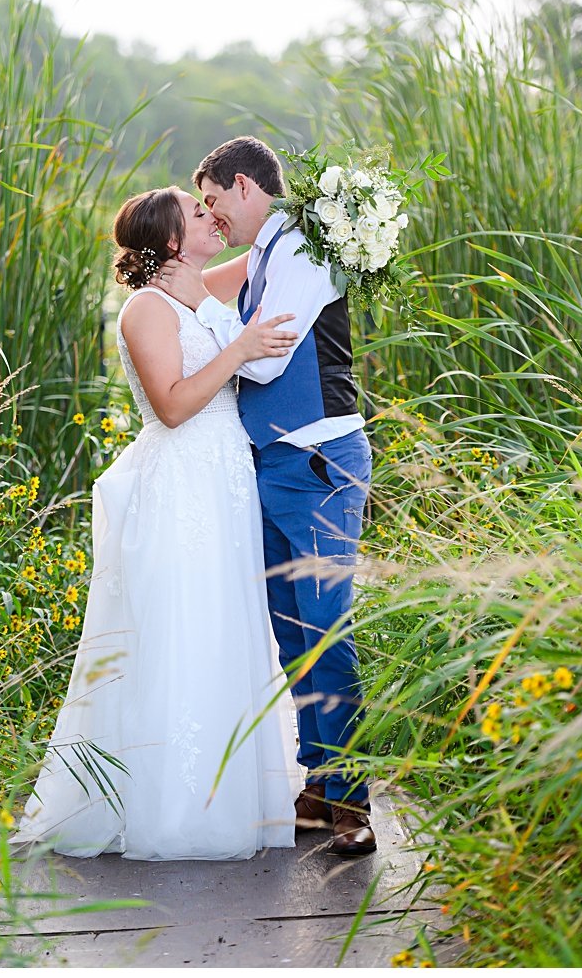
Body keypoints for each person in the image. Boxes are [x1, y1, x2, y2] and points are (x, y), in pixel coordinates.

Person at [15, 186, 302, 860]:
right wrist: (238, 351)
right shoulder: (146, 307)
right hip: (180, 488)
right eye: (198, 212)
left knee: (226, 628)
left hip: (224, 483)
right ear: (172, 241)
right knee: (180, 631)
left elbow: (269, 254)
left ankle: (226, 794)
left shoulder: (198, 289)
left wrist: (322, 218)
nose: (211, 216)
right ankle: (170, 809)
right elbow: (172, 406)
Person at [160, 136, 376, 857]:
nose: (213, 217)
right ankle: (319, 777)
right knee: (291, 631)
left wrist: (220, 355)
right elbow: (232, 316)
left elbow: (274, 354)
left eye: (215, 202)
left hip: (317, 457)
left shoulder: (307, 250)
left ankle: (353, 799)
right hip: (273, 461)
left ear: (244, 185)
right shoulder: (268, 255)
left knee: (325, 626)